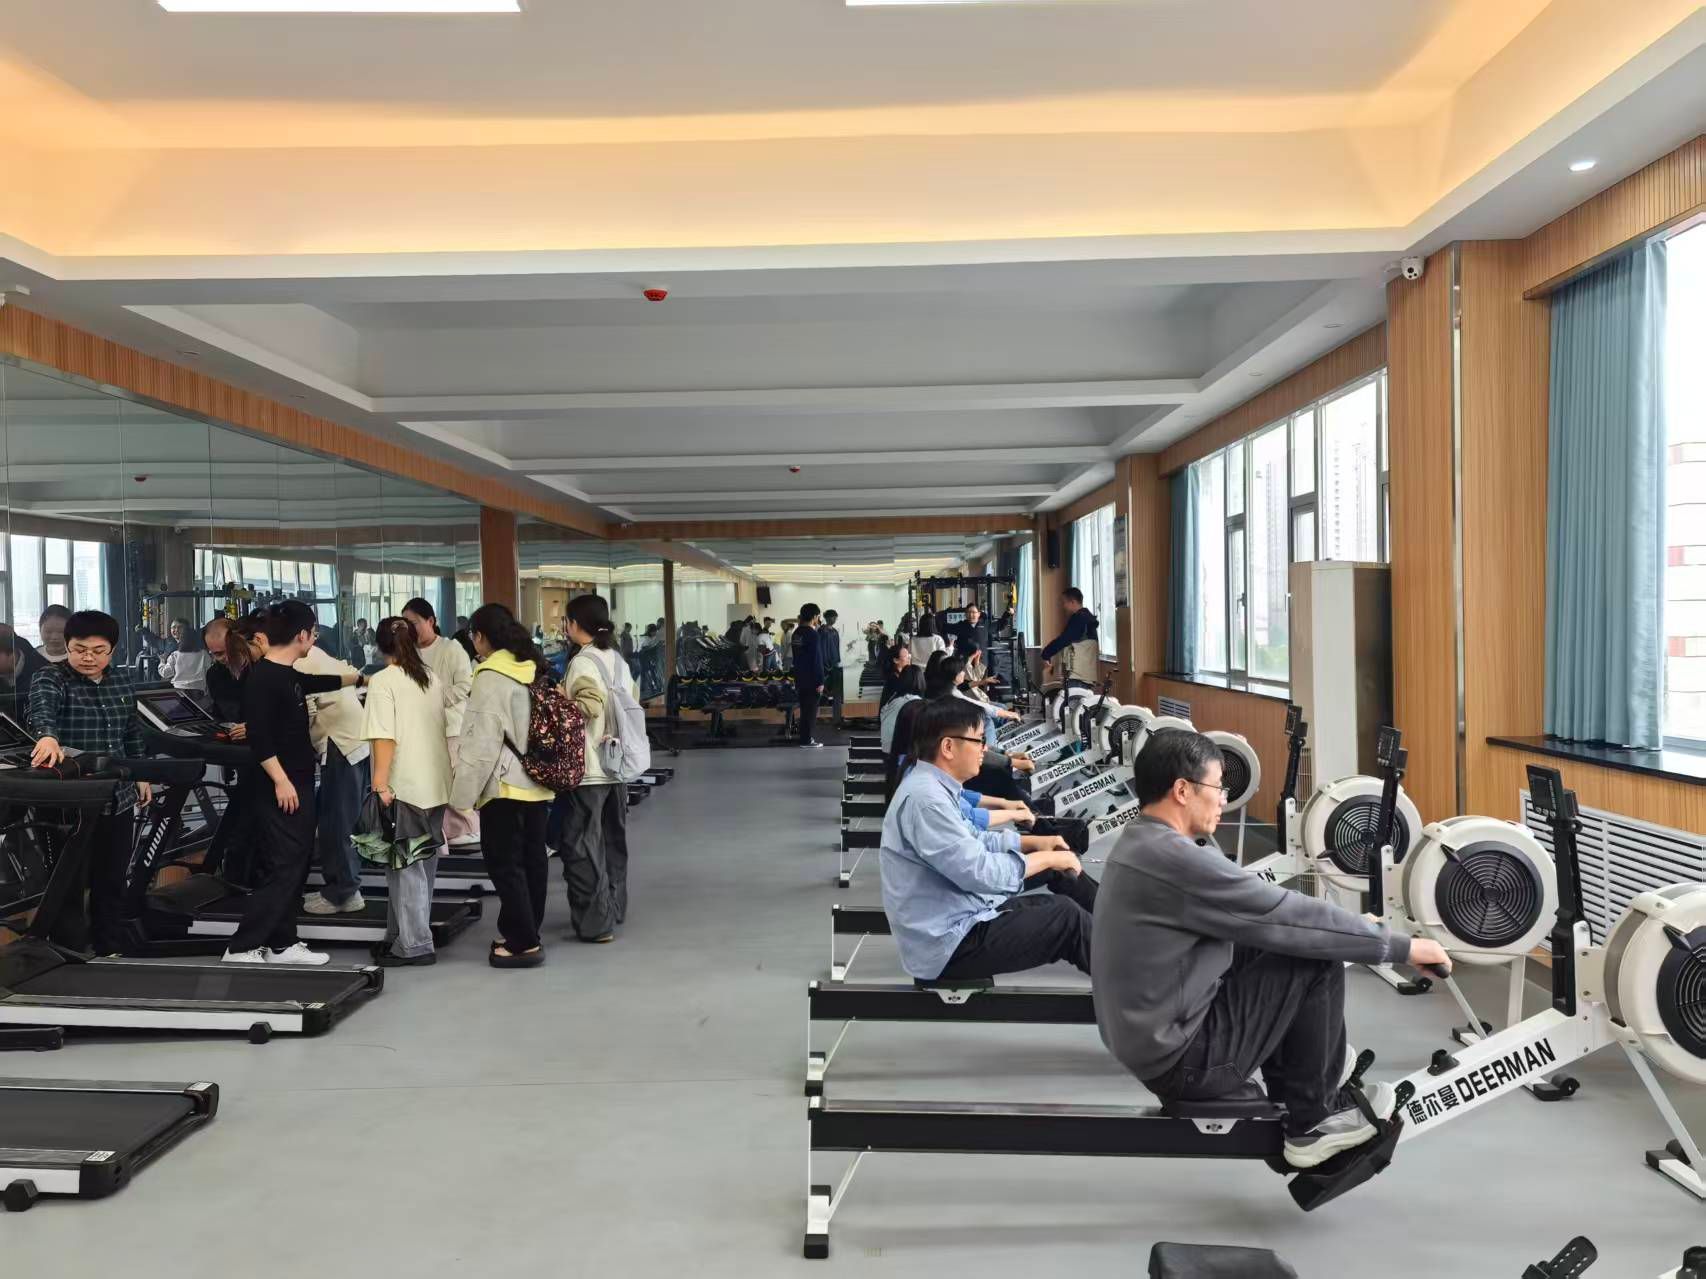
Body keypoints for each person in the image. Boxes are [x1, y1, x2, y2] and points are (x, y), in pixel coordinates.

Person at [1092, 729, 1454, 1169]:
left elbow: (1264, 917)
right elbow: (1283, 915)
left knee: (1277, 941)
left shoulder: (1144, 841)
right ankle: (1312, 1122)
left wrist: (1358, 931)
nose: (1223, 798)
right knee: (1314, 956)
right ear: (1182, 791)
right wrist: (1401, 947)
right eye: (1217, 786)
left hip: (1153, 1040)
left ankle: (1305, 1078)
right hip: (1184, 1062)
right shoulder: (1173, 859)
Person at [880, 699, 1095, 982]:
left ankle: (1121, 926)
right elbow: (981, 872)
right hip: (949, 944)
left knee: (1056, 870)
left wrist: (1034, 845)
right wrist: (1048, 857)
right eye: (979, 740)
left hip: (961, 915)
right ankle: (1139, 984)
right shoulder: (927, 800)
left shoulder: (934, 787)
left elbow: (974, 838)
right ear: (948, 747)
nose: (984, 749)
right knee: (1067, 919)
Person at [222, 601, 363, 966]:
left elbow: (317, 682)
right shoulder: (263, 678)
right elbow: (260, 738)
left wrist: (360, 679)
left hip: (297, 779)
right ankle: (242, 946)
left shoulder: (288, 674)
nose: (313, 639)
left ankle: (282, 943)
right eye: (312, 633)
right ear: (302, 635)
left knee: (294, 863)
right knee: (284, 865)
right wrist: (281, 781)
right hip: (280, 785)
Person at [25, 610, 151, 955]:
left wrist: (141, 773)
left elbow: (132, 732)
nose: (88, 658)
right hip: (70, 800)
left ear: (112, 650)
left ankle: (109, 949)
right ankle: (69, 953)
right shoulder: (51, 677)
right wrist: (47, 736)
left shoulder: (121, 681)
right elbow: (41, 710)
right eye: (79, 649)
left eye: (98, 650)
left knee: (112, 879)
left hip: (117, 795)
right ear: (67, 646)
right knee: (68, 881)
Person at [453, 603, 556, 968]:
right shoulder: (532, 666)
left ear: (481, 637)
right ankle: (524, 930)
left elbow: (481, 742)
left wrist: (462, 796)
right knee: (533, 860)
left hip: (504, 784)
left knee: (504, 863)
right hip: (537, 779)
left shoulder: (490, 675)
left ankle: (523, 943)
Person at [363, 616, 453, 967]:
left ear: (379, 646)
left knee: (404, 868)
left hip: (405, 786)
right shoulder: (430, 677)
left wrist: (379, 784)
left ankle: (415, 944)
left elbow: (384, 738)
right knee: (421, 865)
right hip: (435, 782)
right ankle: (400, 935)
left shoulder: (383, 681)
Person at [558, 592, 637, 944]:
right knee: (612, 840)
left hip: (589, 767)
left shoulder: (582, 662)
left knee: (581, 844)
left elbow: (588, 707)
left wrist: (561, 700)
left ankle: (596, 923)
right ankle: (614, 908)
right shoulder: (618, 660)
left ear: (575, 624)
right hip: (616, 764)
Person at [297, 626, 370, 917]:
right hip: (356, 742)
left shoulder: (301, 662)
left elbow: (306, 713)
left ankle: (343, 893)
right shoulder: (320, 656)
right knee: (343, 821)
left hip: (340, 745)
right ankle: (347, 887)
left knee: (336, 824)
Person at [403, 598, 476, 848]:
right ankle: (443, 833)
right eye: (405, 624)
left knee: (451, 785)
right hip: (419, 729)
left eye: (414, 623)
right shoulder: (408, 652)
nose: (410, 629)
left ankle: (468, 828)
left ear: (431, 621)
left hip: (450, 728)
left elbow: (465, 686)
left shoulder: (451, 649)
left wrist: (434, 700)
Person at [1040, 587, 1100, 688]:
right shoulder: (1087, 619)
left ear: (1072, 602)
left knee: (1073, 698)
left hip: (1078, 676)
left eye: (1064, 602)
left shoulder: (1079, 619)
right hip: (1086, 675)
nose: (1063, 606)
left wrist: (1046, 654)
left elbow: (1063, 640)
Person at [791, 602, 826, 749]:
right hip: (812, 679)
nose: (818, 619)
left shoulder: (796, 633)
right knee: (810, 711)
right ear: (814, 616)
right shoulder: (812, 634)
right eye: (818, 616)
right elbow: (816, 659)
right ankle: (806, 740)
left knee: (805, 710)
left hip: (800, 677)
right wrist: (820, 681)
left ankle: (804, 738)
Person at [158, 620, 213, 691]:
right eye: (173, 627)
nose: (176, 630)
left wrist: (162, 661)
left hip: (180, 690)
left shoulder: (175, 655)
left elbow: (166, 673)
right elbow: (209, 671)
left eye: (179, 627)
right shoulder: (203, 653)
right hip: (199, 690)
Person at [820, 609, 844, 726]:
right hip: (824, 666)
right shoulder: (822, 631)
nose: (834, 619)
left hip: (835, 665)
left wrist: (838, 661)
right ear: (827, 618)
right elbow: (821, 649)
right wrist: (825, 664)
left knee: (836, 693)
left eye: (835, 617)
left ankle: (836, 718)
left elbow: (837, 647)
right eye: (833, 617)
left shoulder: (834, 631)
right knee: (823, 691)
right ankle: (822, 716)